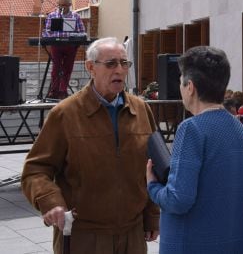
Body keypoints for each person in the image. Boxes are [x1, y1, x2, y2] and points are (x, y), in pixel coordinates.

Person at [21, 37, 159, 254]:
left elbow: (153, 167)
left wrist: (152, 216)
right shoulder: (65, 113)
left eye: (124, 63)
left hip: (132, 235)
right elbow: (36, 170)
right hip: (83, 237)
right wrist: (51, 202)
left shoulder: (141, 110)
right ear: (90, 68)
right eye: (111, 64)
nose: (120, 70)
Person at [146, 46, 243, 253]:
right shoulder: (238, 128)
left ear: (190, 87)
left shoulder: (191, 129)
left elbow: (178, 200)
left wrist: (152, 185)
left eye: (180, 82)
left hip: (194, 243)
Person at [42, 0, 86, 99]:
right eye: (60, 5)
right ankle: (54, 91)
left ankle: (63, 91)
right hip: (56, 46)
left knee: (67, 68)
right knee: (56, 68)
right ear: (57, 4)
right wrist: (52, 37)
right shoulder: (52, 16)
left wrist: (72, 36)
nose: (63, 7)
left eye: (65, 5)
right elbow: (46, 32)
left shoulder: (75, 16)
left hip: (71, 46)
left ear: (70, 4)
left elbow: (82, 32)